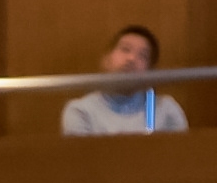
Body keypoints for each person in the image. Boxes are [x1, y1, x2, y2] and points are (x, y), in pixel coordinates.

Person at [60, 23, 189, 136]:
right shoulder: (81, 111)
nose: (132, 59)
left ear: (150, 72)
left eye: (143, 56)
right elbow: (82, 161)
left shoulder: (166, 109)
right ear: (106, 60)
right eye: (125, 49)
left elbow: (180, 159)